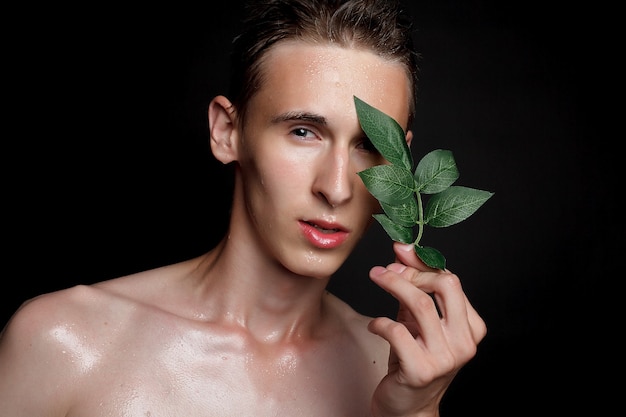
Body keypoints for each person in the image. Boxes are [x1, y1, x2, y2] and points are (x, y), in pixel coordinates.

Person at [0, 0, 486, 415]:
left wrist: (417, 412)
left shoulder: (397, 370)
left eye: (367, 146)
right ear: (227, 132)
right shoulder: (64, 343)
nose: (336, 189)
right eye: (303, 132)